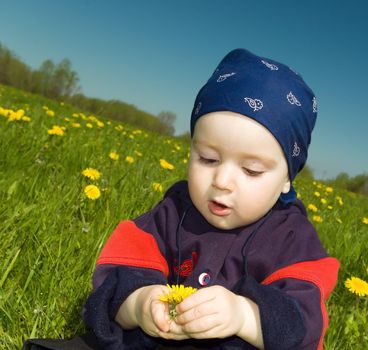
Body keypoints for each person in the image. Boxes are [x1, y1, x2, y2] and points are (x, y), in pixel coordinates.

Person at [83, 48, 340, 350]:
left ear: (286, 180)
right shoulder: (172, 212)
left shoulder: (292, 240)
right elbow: (114, 280)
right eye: (208, 159)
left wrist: (244, 316)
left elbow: (304, 323)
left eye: (251, 170)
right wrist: (139, 303)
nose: (222, 182)